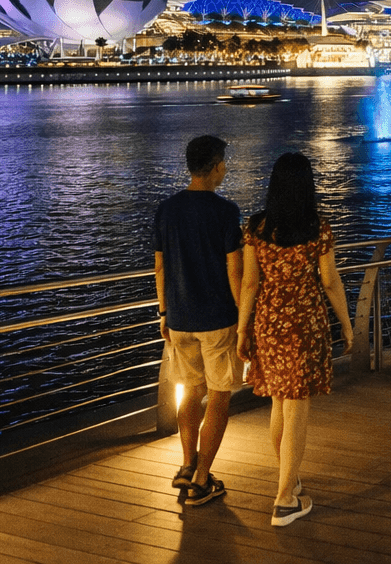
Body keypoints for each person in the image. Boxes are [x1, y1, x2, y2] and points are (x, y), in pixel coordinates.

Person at [236, 152, 354, 528]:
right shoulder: (317, 227)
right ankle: (285, 499)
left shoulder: (256, 228)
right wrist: (347, 325)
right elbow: (330, 281)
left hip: (269, 323)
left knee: (279, 405)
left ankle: (290, 478)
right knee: (297, 410)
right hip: (304, 325)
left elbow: (250, 283)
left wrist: (243, 329)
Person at [153, 135, 246, 505]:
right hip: (218, 319)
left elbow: (160, 266)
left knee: (190, 392)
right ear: (216, 166)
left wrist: (163, 312)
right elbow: (235, 270)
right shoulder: (226, 212)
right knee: (220, 397)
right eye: (224, 162)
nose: (225, 168)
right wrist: (244, 319)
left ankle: (187, 464)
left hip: (179, 318)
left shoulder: (166, 210)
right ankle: (203, 478)